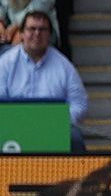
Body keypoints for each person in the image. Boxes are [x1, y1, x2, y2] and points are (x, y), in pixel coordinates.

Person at [0, 9, 85, 150]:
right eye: (31, 29)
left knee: (75, 138)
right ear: (21, 33)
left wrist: (57, 122)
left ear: (50, 35)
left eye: (42, 29)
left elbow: (79, 103)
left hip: (53, 128)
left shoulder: (64, 66)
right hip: (12, 127)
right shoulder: (5, 63)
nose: (37, 34)